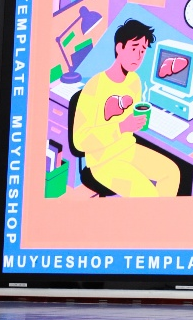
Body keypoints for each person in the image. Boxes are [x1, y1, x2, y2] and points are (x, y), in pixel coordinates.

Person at [72, 19, 180, 197]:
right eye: (134, 48)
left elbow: (128, 121)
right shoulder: (95, 86)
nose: (138, 56)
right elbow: (80, 140)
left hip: (127, 149)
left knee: (172, 172)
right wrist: (121, 127)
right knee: (148, 195)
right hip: (103, 161)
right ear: (119, 48)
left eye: (142, 51)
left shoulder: (134, 81)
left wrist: (136, 123)